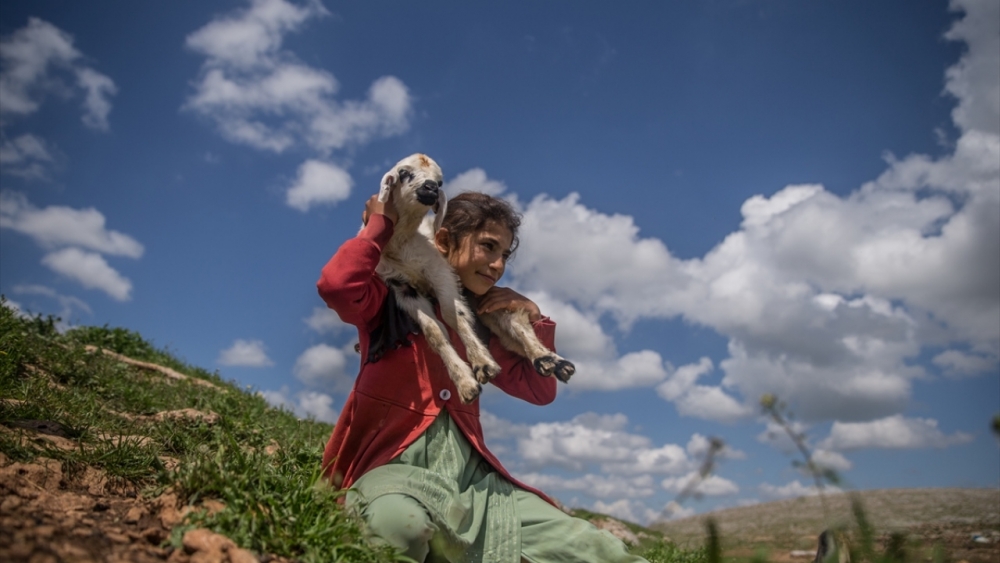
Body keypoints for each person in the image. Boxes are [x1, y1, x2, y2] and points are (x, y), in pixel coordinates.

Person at [317, 190, 647, 563]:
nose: (497, 265)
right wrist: (380, 226)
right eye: (488, 247)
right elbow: (337, 286)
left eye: (504, 254)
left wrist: (534, 318)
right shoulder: (390, 299)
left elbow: (540, 391)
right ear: (442, 241)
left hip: (475, 487)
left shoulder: (482, 323)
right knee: (400, 526)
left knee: (600, 549)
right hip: (391, 469)